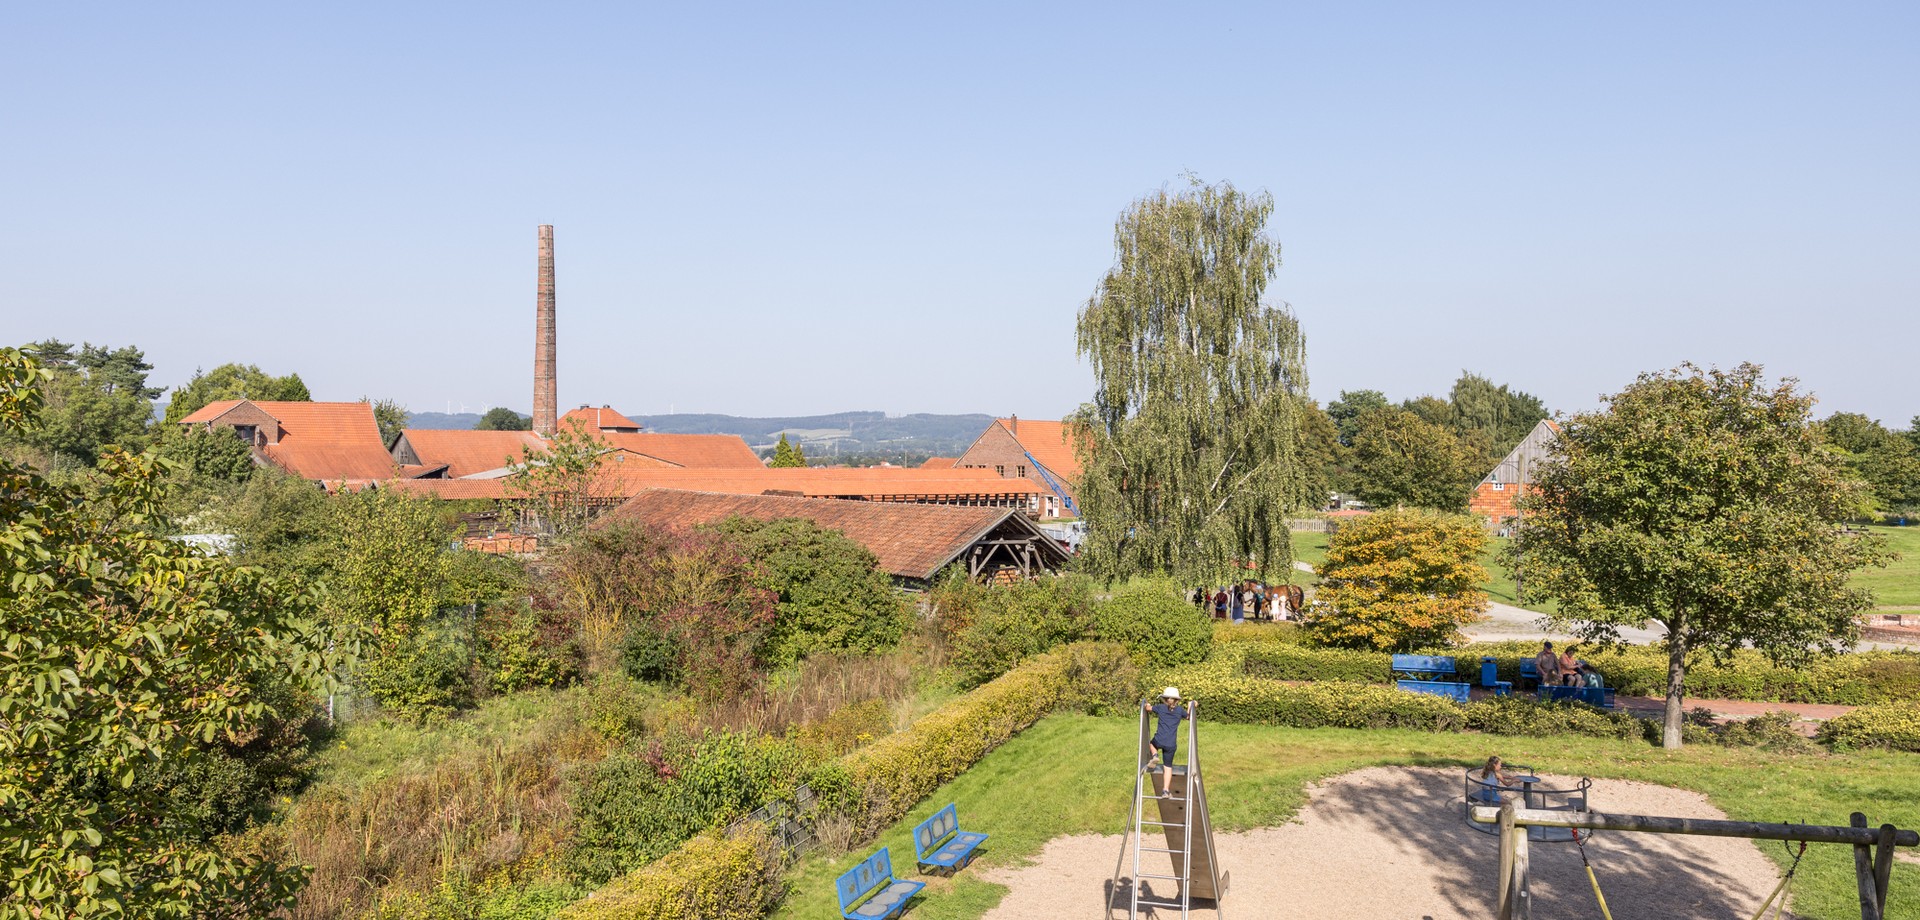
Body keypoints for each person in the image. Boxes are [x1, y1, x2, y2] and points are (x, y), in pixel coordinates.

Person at [1145, 688, 1189, 795]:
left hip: (1159, 739)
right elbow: (1189, 717)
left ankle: (1155, 755)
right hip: (1171, 744)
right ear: (1177, 700)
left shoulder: (1161, 707)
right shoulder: (1180, 710)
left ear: (1164, 699)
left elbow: (1148, 708)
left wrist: (1147, 704)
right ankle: (1165, 790)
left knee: (1151, 744)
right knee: (1168, 767)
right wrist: (1191, 707)